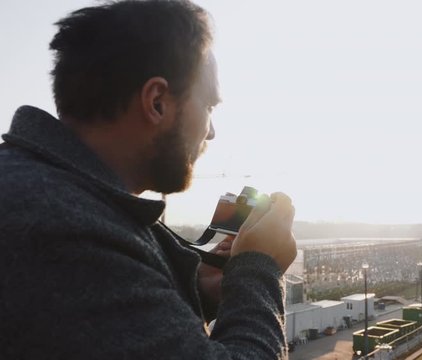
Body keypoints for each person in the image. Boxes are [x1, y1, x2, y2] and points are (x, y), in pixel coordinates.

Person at [0, 1, 297, 359]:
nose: (212, 132)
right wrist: (258, 267)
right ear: (157, 102)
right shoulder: (55, 222)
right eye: (208, 107)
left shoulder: (49, 190)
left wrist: (197, 286)